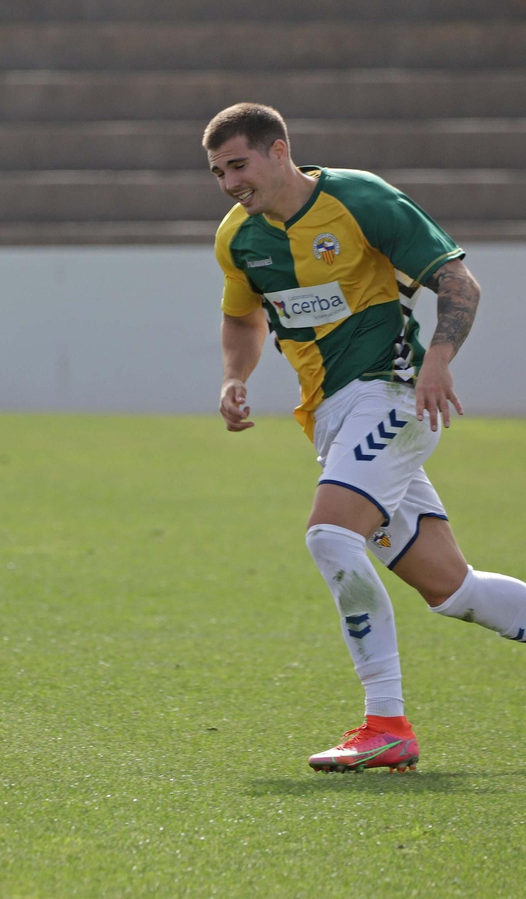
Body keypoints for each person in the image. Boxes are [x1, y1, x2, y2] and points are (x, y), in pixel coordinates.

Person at [207, 104, 526, 772]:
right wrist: (235, 377)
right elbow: (243, 317)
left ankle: (387, 724)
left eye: (238, 164)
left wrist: (438, 357)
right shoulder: (238, 238)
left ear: (278, 150)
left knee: (329, 534)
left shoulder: (360, 200)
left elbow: (456, 281)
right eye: (217, 172)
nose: (230, 182)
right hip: (330, 418)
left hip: (393, 395)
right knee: (453, 590)